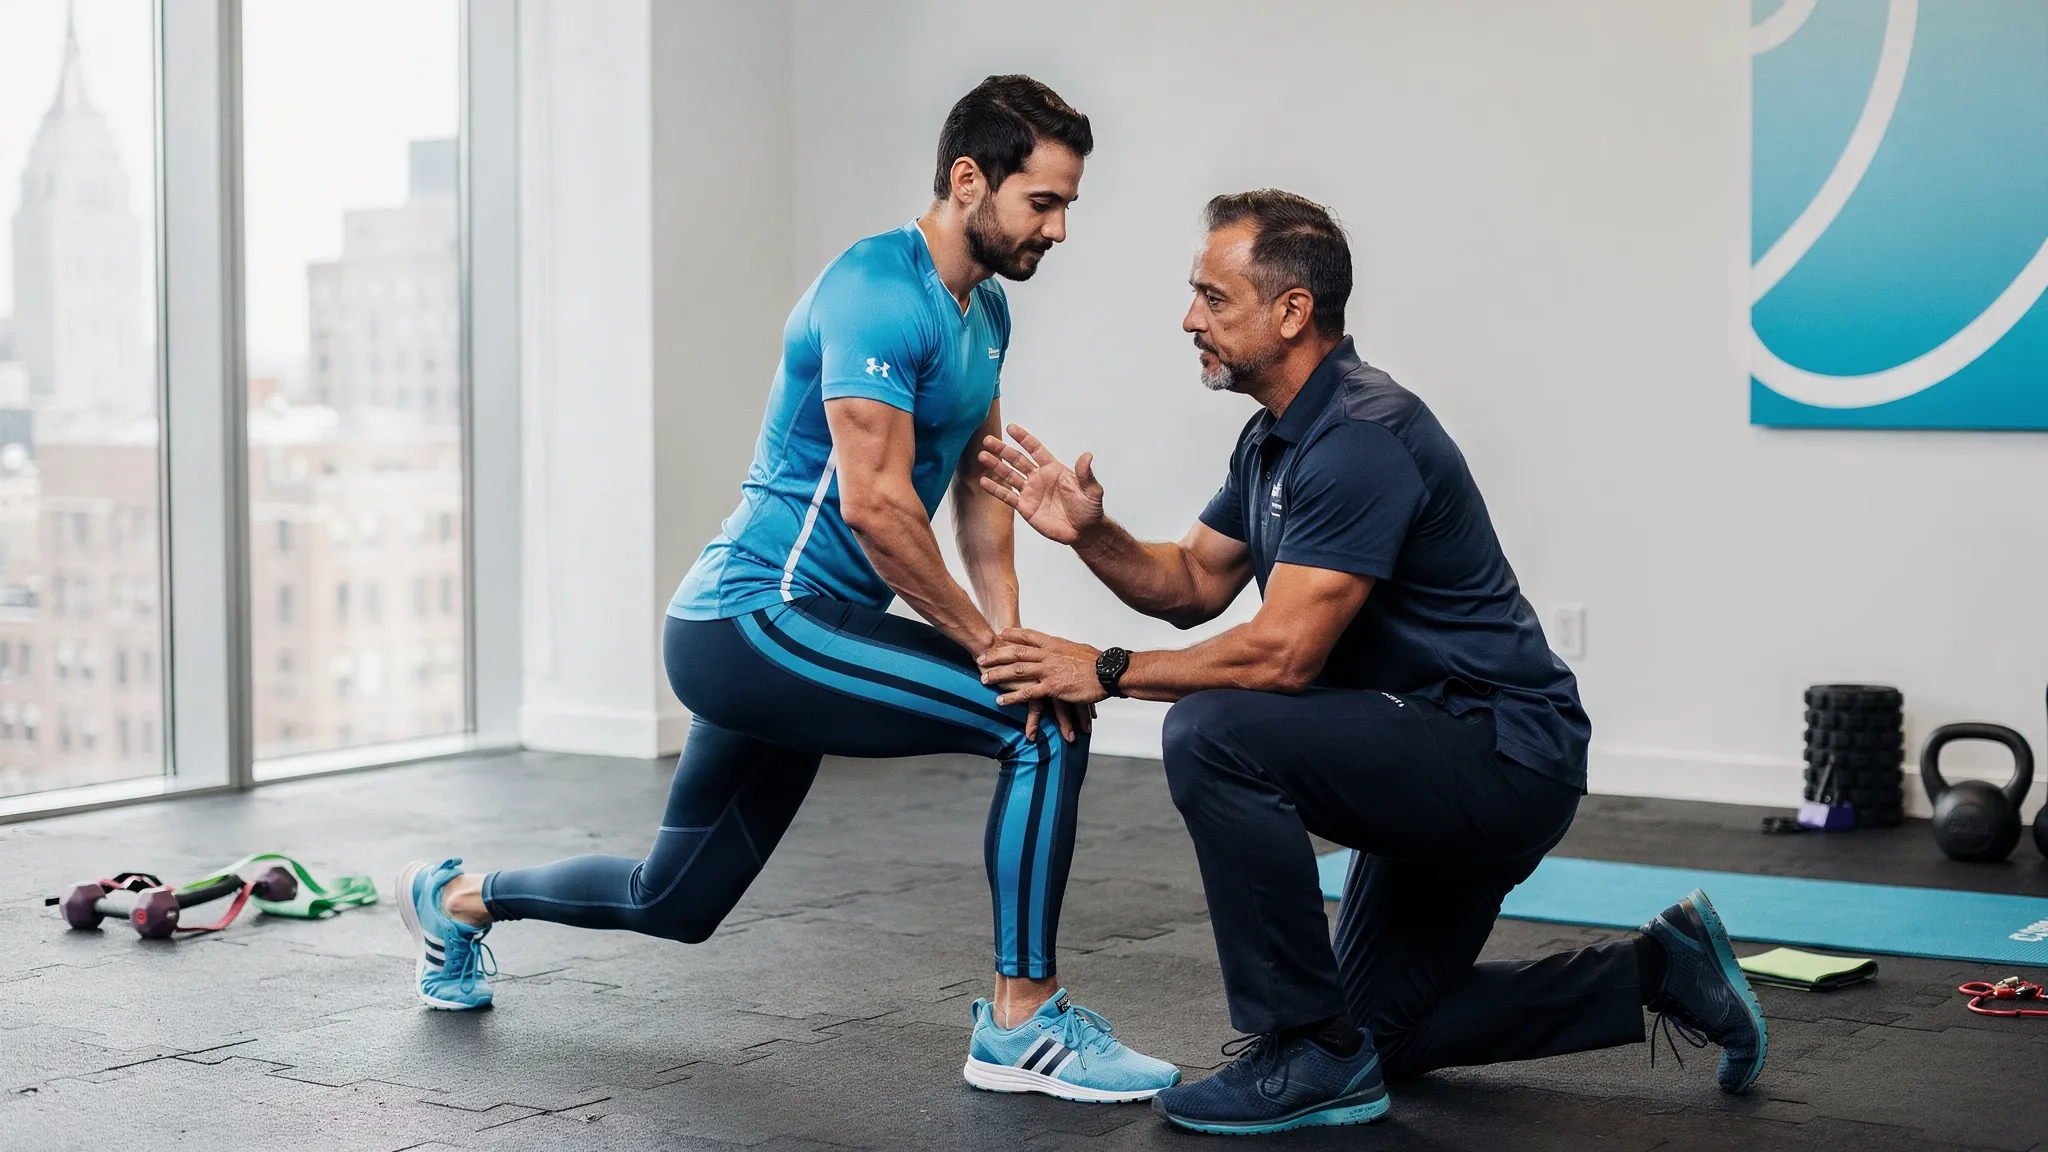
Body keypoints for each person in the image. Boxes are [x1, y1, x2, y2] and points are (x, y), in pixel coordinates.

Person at [395, 75, 1179, 1105]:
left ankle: (454, 899)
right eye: (1044, 200)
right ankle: (1021, 1024)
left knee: (674, 898)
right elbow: (878, 510)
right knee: (1040, 724)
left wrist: (1009, 633)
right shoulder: (874, 291)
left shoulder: (981, 311)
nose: (1061, 227)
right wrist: (1001, 663)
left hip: (799, 631)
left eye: (1068, 203)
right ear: (966, 179)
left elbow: (979, 499)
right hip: (752, 618)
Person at [974, 189, 1767, 1134]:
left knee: (1212, 731)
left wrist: (1104, 669)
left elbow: (1284, 656)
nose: (1191, 318)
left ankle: (1303, 1051)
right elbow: (1190, 579)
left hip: (1499, 753)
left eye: (1213, 298)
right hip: (1427, 742)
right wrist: (1092, 534)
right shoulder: (1275, 435)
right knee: (1382, 1034)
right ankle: (1659, 971)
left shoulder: (1359, 437)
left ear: (1292, 311)